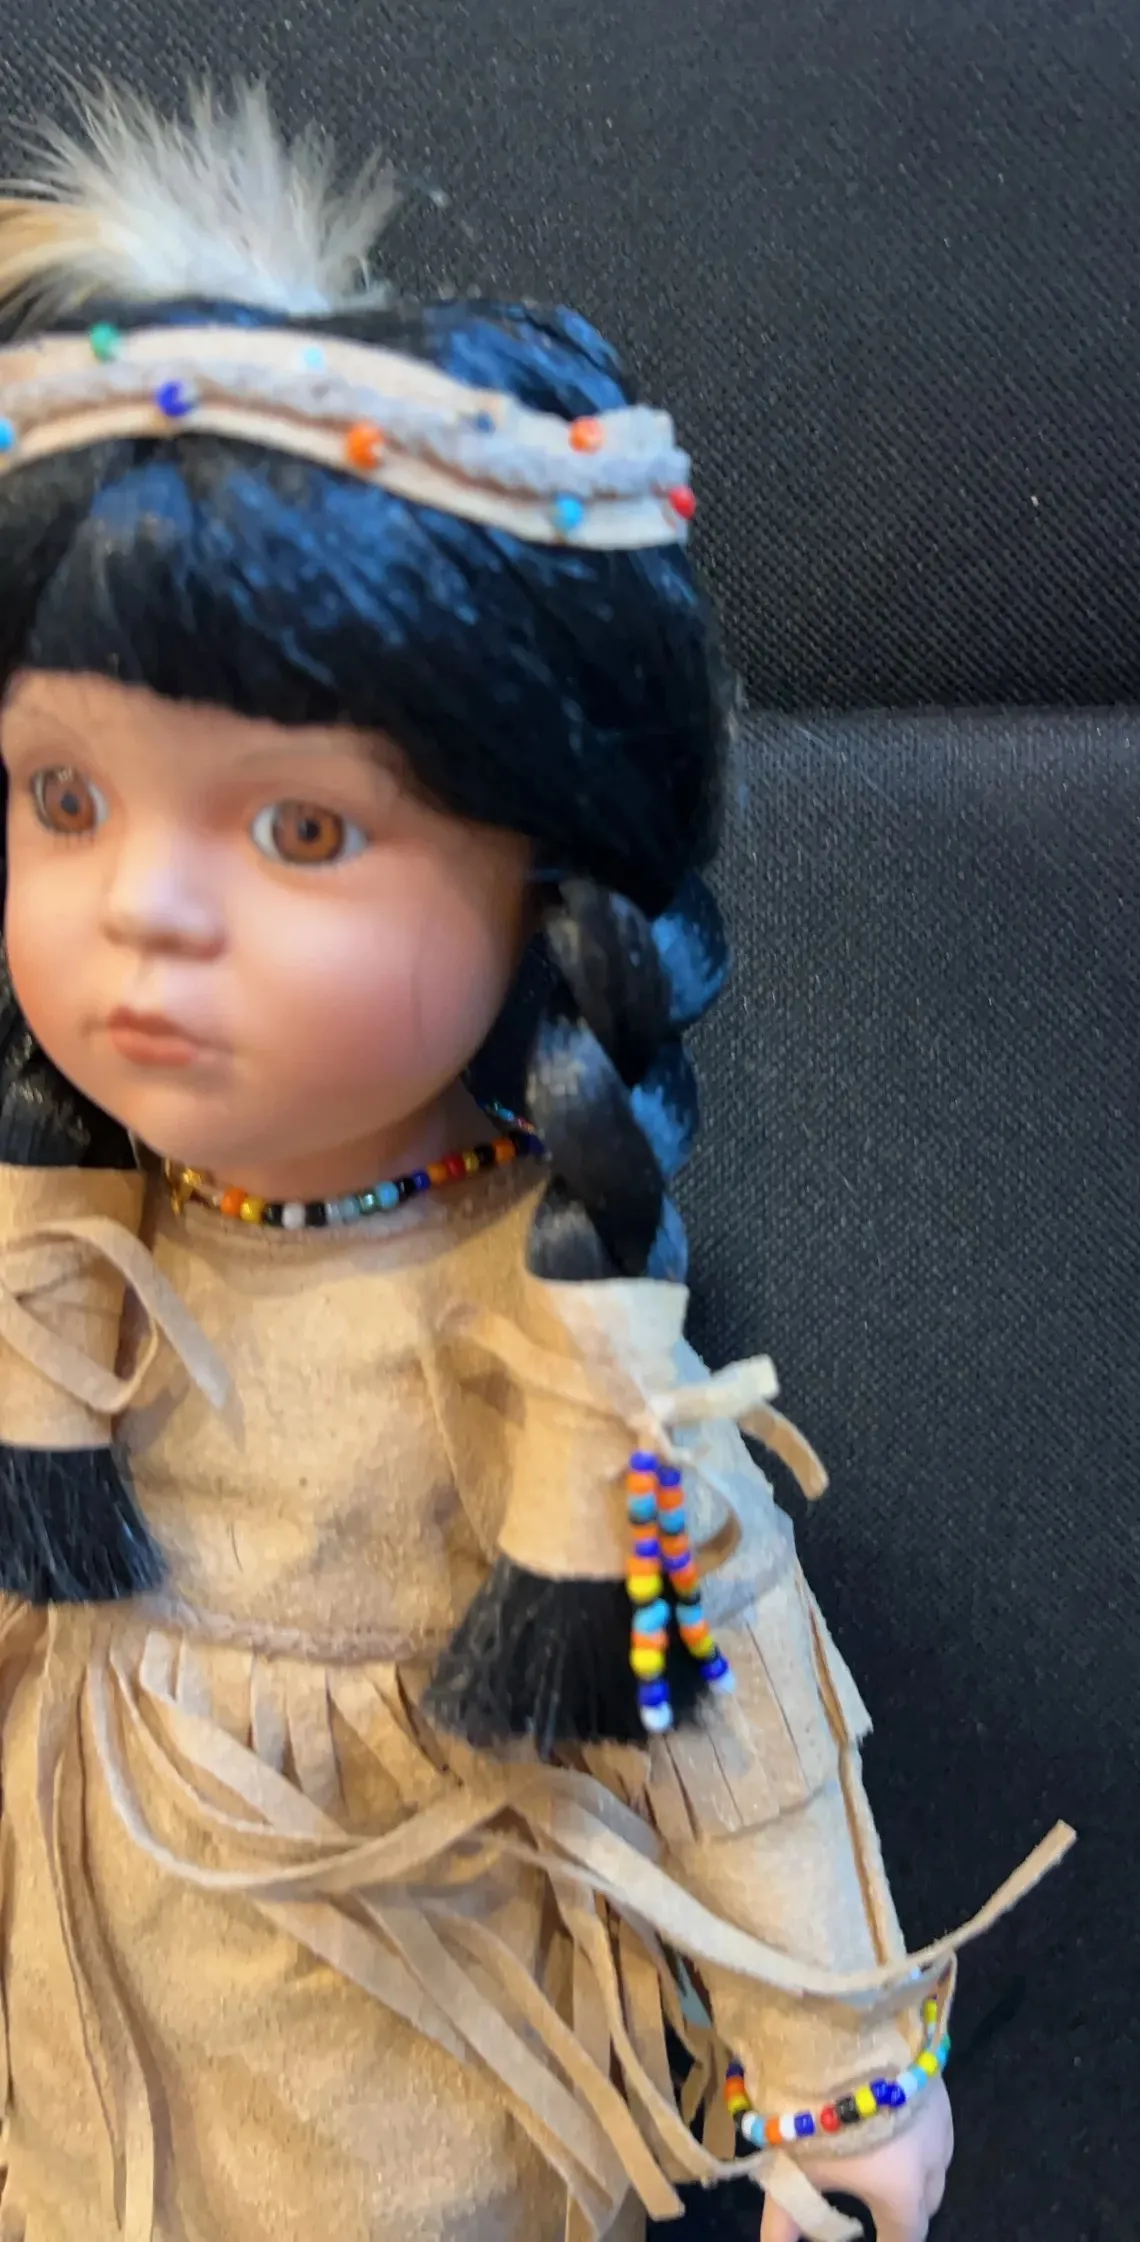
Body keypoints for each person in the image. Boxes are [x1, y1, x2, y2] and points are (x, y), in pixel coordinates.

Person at [0, 85, 1070, 2242]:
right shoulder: (53, 1274)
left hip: (402, 2122)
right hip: (75, 2103)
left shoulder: (565, 1366)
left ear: (542, 887)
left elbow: (730, 1712)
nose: (144, 912)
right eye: (61, 798)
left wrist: (843, 2070)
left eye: (302, 826)